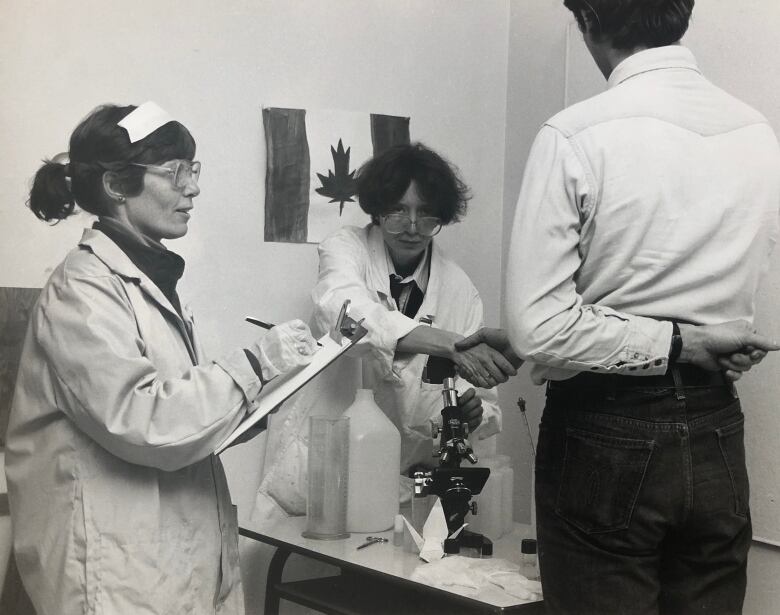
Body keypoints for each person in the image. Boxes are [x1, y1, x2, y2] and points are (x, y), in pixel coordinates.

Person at [460, 1, 780, 613]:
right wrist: (696, 341)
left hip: (606, 428)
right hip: (715, 426)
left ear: (587, 23)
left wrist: (675, 342)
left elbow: (538, 329)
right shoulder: (755, 131)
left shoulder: (575, 133)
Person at [4, 102, 319, 615]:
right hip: (112, 573)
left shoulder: (143, 280)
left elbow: (179, 421)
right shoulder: (83, 291)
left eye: (192, 171)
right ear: (116, 185)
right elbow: (145, 423)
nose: (192, 188)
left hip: (159, 564)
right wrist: (254, 366)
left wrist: (262, 396)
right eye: (175, 173)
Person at [254, 143, 520, 516]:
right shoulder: (346, 248)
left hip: (406, 477)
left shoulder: (460, 290)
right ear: (377, 210)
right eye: (398, 211)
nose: (412, 228)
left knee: (390, 569)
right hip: (324, 460)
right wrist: (450, 345)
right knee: (303, 564)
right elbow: (346, 315)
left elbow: (486, 405)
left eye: (426, 214)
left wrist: (474, 414)